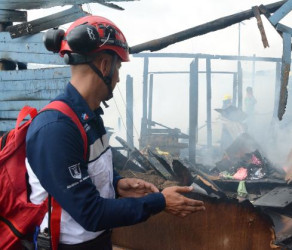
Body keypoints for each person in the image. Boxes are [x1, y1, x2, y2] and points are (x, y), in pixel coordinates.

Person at [26, 15, 205, 249]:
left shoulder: (90, 117)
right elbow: (90, 213)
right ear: (105, 65)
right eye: (118, 67)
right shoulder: (55, 129)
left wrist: (117, 185)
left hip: (98, 240)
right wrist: (159, 202)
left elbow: (84, 173)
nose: (118, 78)